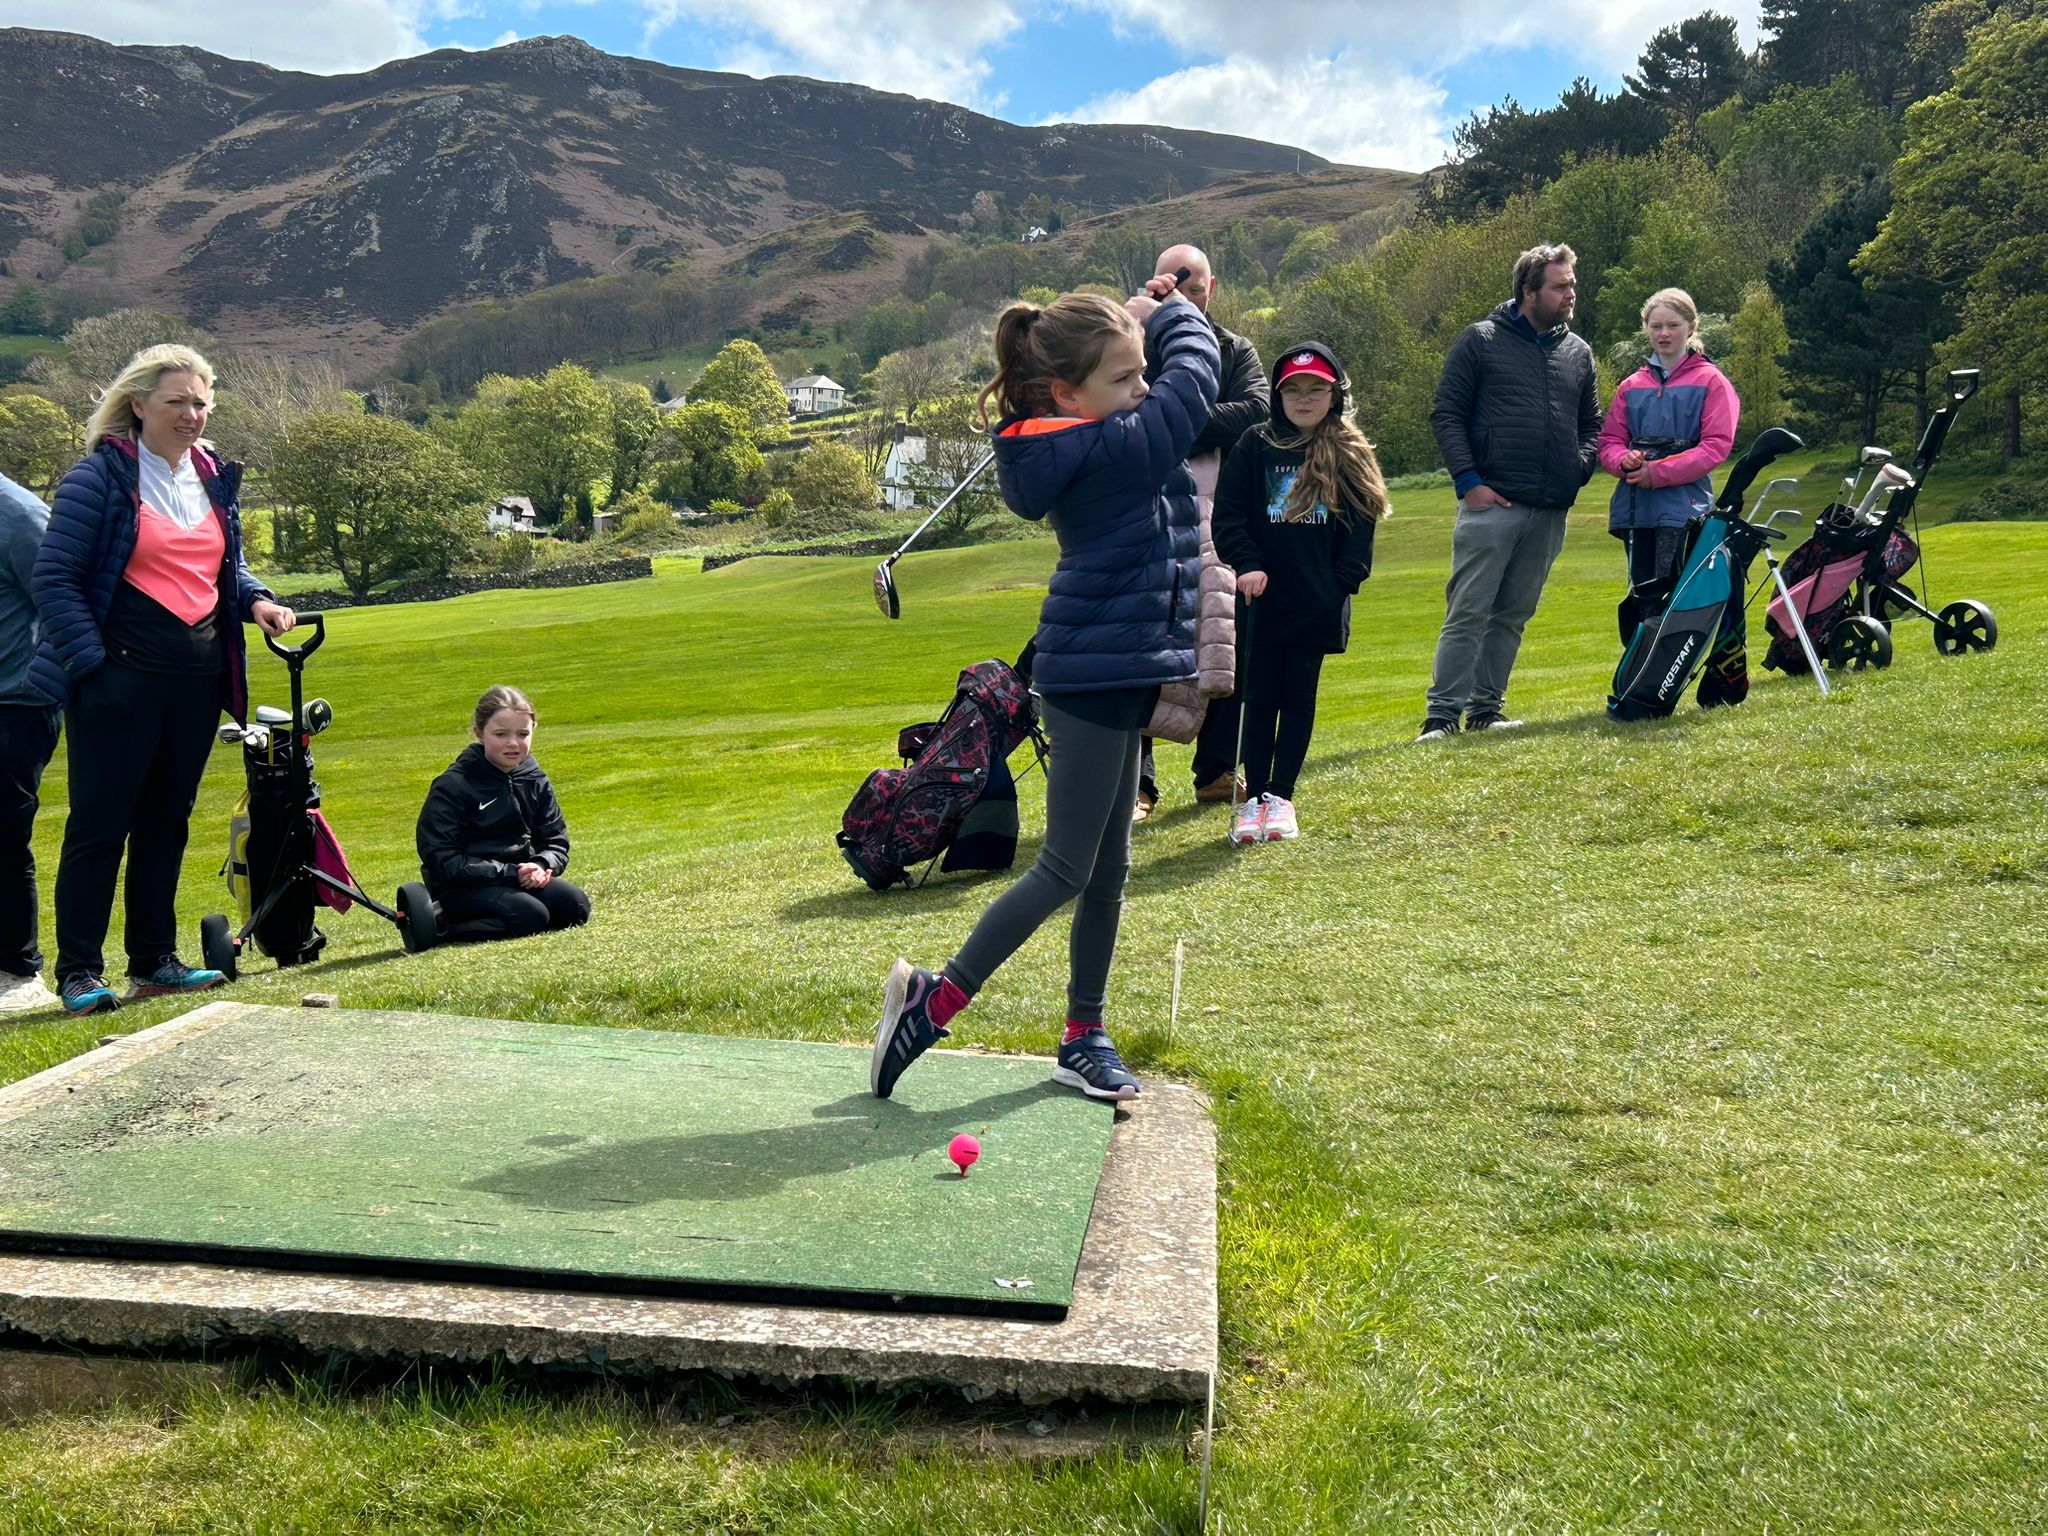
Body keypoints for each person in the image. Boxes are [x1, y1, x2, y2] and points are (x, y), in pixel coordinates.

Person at [871, 281, 1219, 1104]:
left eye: (1140, 374)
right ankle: (935, 999)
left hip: (1123, 668)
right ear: (1066, 393)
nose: (1141, 389)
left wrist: (1135, 327)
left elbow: (1178, 392)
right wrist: (1174, 314)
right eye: (1125, 376)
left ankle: (1082, 1034)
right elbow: (1196, 380)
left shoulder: (1098, 430)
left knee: (1107, 874)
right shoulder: (1113, 445)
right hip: (1092, 676)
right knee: (1065, 867)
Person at [33, 345, 295, 1016]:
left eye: (202, 402)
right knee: (100, 825)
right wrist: (94, 667)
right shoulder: (98, 479)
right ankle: (80, 973)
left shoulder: (210, 476)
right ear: (138, 404)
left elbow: (220, 568)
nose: (192, 414)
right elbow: (55, 580)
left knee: (165, 824)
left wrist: (258, 600)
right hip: (118, 682)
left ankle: (154, 964)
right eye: (177, 400)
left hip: (196, 682)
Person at [1419, 243, 1600, 740]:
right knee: (1469, 611)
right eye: (1560, 286)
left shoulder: (1578, 352)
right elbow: (1447, 414)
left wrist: (1577, 470)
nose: (1570, 295)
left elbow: (1592, 423)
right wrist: (1469, 483)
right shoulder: (1480, 340)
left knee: (1513, 615)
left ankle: (1485, 711)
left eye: (1572, 285)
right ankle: (1440, 717)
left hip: (1549, 509)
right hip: (1491, 503)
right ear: (1529, 291)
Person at [1211, 343, 1386, 845]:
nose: (1304, 399)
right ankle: (1254, 798)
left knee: (1298, 697)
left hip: (1318, 602)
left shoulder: (1350, 450)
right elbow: (1229, 517)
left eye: (1316, 389)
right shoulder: (1254, 444)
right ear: (1278, 394)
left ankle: (1280, 797)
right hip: (1260, 600)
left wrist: (1337, 586)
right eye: (1294, 390)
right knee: (1259, 697)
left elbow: (1358, 535)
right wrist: (1247, 563)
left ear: (1334, 394)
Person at [1133, 242, 1269, 824]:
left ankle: (1215, 772)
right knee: (1138, 642)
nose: (1186, 302)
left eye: (1194, 291)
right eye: (1173, 289)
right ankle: (1137, 785)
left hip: (1224, 514)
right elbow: (1119, 412)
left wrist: (1176, 418)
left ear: (1210, 290)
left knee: (1224, 637)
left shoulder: (1235, 347)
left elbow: (1258, 411)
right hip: (1147, 517)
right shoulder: (1133, 342)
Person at [1597, 287, 1740, 639]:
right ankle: (1640, 674)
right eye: (1656, 325)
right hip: (1636, 510)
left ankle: (1668, 673)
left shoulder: (1712, 382)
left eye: (1672, 325)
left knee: (1677, 596)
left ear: (1691, 327)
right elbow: (1609, 442)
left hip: (1684, 509)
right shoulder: (1630, 386)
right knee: (1643, 598)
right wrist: (1624, 460)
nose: (1663, 334)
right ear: (1646, 328)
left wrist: (1656, 473)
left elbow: (1715, 448)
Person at [415, 685, 590, 944]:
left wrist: (542, 864)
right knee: (530, 917)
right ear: (479, 733)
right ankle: (443, 926)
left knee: (575, 907)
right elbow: (441, 858)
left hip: (517, 877)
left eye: (522, 734)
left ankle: (516, 907)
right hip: (463, 886)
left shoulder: (534, 778)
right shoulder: (453, 785)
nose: (513, 743)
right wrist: (509, 872)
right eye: (500, 734)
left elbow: (556, 839)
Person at [0, 474, 58, 1012]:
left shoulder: (16, 512)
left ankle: (19, 974)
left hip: (15, 702)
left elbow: (61, 601)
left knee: (3, 834)